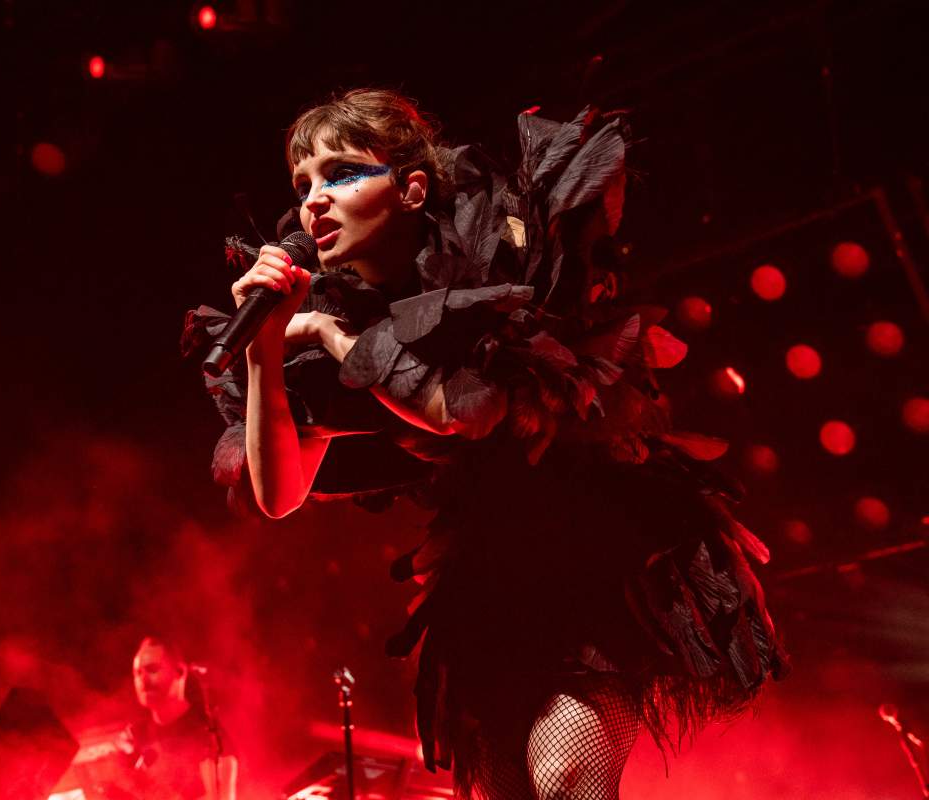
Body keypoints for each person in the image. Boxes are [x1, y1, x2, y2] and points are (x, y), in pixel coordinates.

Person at [183, 89, 789, 799]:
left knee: (566, 778)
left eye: (341, 174)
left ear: (411, 189)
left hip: (596, 544)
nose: (315, 200)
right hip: (489, 570)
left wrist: (327, 336)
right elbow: (279, 495)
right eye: (303, 184)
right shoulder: (329, 306)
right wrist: (262, 356)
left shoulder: (493, 253)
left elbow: (467, 409)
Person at [116, 636, 237, 800]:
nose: (142, 680)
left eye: (152, 669)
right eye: (137, 673)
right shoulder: (135, 737)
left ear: (180, 672)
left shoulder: (209, 735)